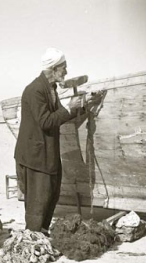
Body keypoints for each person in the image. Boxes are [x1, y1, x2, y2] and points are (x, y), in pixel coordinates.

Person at [14, 47, 103, 233]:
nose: (66, 72)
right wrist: (69, 108)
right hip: (35, 156)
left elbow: (58, 116)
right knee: (38, 202)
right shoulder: (35, 90)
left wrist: (82, 107)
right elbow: (46, 121)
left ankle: (41, 234)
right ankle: (34, 239)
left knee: (51, 195)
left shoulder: (50, 89)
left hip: (47, 153)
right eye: (64, 67)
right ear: (53, 69)